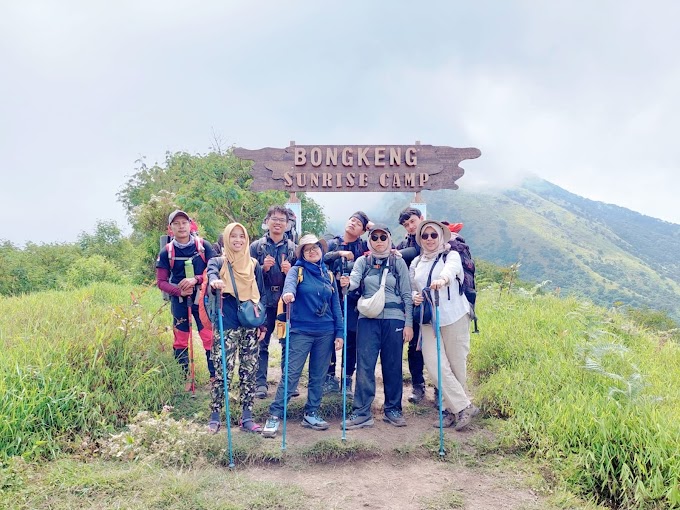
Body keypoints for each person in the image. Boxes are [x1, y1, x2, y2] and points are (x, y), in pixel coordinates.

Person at [262, 234, 344, 437]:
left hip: (325, 331)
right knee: (291, 375)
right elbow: (289, 286)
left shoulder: (329, 275)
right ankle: (274, 415)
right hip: (300, 331)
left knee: (318, 376)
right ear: (302, 254)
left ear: (321, 250)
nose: (312, 251)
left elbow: (336, 306)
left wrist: (340, 333)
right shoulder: (296, 271)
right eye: (307, 249)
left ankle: (312, 412)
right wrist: (288, 294)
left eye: (315, 247)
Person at [339, 224, 413, 429]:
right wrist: (347, 283)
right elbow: (354, 281)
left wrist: (409, 324)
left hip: (394, 319)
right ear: (369, 240)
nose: (379, 242)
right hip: (368, 319)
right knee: (365, 365)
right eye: (375, 238)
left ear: (389, 240)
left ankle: (393, 409)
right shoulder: (363, 261)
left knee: (393, 365)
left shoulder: (398, 262)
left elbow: (407, 294)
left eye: (383, 238)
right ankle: (362, 412)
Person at [410, 220, 479, 431]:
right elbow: (412, 287)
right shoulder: (416, 263)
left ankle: (452, 410)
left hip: (455, 315)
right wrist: (414, 296)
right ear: (420, 239)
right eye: (425, 236)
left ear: (441, 236)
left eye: (433, 235)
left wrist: (442, 280)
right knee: (435, 365)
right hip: (429, 319)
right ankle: (465, 406)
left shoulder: (452, 255)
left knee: (456, 364)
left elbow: (451, 271)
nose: (429, 239)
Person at [206, 222, 266, 433]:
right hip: (227, 322)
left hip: (250, 322)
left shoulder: (254, 264)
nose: (238, 240)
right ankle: (215, 416)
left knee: (249, 370)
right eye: (233, 236)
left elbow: (262, 294)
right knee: (223, 370)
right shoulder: (218, 261)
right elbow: (211, 274)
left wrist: (263, 325)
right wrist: (215, 282)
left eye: (242, 236)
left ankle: (247, 417)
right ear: (226, 239)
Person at [156, 210, 217, 389]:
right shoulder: (167, 252)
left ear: (190, 225)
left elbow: (213, 271)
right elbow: (160, 282)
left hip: (202, 299)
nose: (181, 226)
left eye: (184, 222)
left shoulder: (204, 246)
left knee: (208, 336)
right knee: (181, 339)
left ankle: (215, 377)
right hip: (180, 300)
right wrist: (178, 292)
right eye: (176, 223)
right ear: (170, 228)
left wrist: (196, 280)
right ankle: (184, 378)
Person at [249, 205, 297, 399]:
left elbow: (300, 276)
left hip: (285, 304)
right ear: (267, 222)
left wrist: (290, 271)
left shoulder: (294, 248)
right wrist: (263, 269)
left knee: (287, 343)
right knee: (262, 343)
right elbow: (247, 275)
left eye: (282, 220)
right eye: (274, 219)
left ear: (287, 225)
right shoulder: (256, 247)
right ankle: (260, 383)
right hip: (264, 301)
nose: (278, 223)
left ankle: (288, 384)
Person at [396, 207, 427, 403]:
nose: (410, 226)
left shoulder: (433, 237)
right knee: (415, 345)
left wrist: (396, 253)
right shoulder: (403, 244)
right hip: (411, 301)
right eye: (406, 224)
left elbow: (417, 251)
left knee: (432, 346)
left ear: (421, 218)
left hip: (435, 302)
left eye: (412, 221)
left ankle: (443, 390)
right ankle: (418, 385)